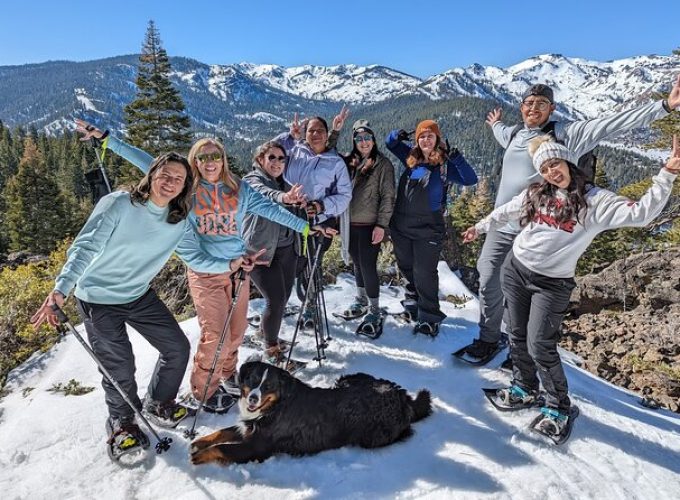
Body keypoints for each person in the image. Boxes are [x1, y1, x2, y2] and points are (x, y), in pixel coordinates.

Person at [75, 120, 310, 413]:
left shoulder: (238, 188)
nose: (210, 162)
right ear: (194, 162)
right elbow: (148, 163)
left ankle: (227, 374)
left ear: (223, 160)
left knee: (236, 333)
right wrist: (109, 140)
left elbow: (271, 209)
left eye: (215, 156)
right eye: (203, 157)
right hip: (205, 273)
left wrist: (304, 227)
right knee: (216, 335)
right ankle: (203, 391)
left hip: (238, 271)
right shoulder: (188, 189)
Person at [462, 135, 679, 436]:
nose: (552, 171)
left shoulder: (595, 201)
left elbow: (640, 214)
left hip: (552, 283)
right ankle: (524, 387)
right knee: (516, 333)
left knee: (540, 343)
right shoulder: (537, 193)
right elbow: (507, 210)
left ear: (567, 162)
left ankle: (557, 405)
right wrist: (481, 226)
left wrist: (666, 174)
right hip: (516, 269)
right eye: (545, 167)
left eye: (555, 163)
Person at [466, 76, 680, 363]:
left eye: (541, 104)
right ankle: (489, 338)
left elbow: (612, 123)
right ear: (521, 108)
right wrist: (495, 124)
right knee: (489, 277)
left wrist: (665, 106)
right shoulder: (515, 134)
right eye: (529, 103)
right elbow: (502, 134)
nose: (534, 109)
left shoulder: (568, 135)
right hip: (503, 225)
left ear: (552, 109)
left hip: (539, 228)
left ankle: (523, 353)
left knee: (528, 291)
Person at [30, 153, 211, 457]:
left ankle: (159, 402)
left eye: (178, 179)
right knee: (120, 367)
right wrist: (62, 288)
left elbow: (196, 257)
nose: (169, 183)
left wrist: (232, 262)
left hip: (138, 294)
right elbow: (85, 246)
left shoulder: (177, 220)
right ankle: (121, 422)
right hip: (98, 299)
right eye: (164, 175)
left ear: (184, 187)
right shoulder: (120, 203)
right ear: (151, 174)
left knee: (177, 348)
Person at [386, 120, 478, 336]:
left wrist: (458, 158)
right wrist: (396, 134)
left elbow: (470, 179)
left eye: (430, 136)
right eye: (421, 136)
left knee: (424, 271)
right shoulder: (411, 158)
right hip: (401, 224)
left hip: (429, 226)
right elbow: (390, 143)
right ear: (417, 140)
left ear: (437, 139)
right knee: (406, 266)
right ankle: (412, 306)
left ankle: (429, 316)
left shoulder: (445, 165)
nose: (426, 139)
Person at [241, 140, 317, 366]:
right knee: (276, 299)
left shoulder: (285, 184)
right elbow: (264, 194)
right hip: (259, 252)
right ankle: (271, 350)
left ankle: (265, 334)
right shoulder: (251, 181)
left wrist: (303, 206)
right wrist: (284, 198)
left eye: (281, 158)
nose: (277, 162)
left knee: (282, 298)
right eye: (271, 157)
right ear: (260, 160)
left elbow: (294, 215)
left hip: (286, 250)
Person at [275, 110, 352, 328]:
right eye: (311, 130)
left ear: (328, 135)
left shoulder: (335, 162)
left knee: (311, 263)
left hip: (318, 221)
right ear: (305, 133)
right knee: (287, 263)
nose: (316, 134)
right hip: (287, 218)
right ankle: (282, 301)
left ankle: (309, 306)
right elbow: (266, 155)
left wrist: (321, 206)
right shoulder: (294, 152)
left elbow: (345, 195)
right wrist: (290, 136)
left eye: (320, 130)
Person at [335, 119, 396, 336]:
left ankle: (374, 309)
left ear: (373, 139)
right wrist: (334, 130)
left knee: (368, 266)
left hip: (371, 225)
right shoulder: (347, 162)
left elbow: (388, 197)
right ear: (354, 141)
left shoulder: (383, 164)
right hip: (349, 224)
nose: (364, 142)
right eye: (359, 139)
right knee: (357, 264)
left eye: (367, 138)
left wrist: (382, 225)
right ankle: (361, 300)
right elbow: (326, 153)